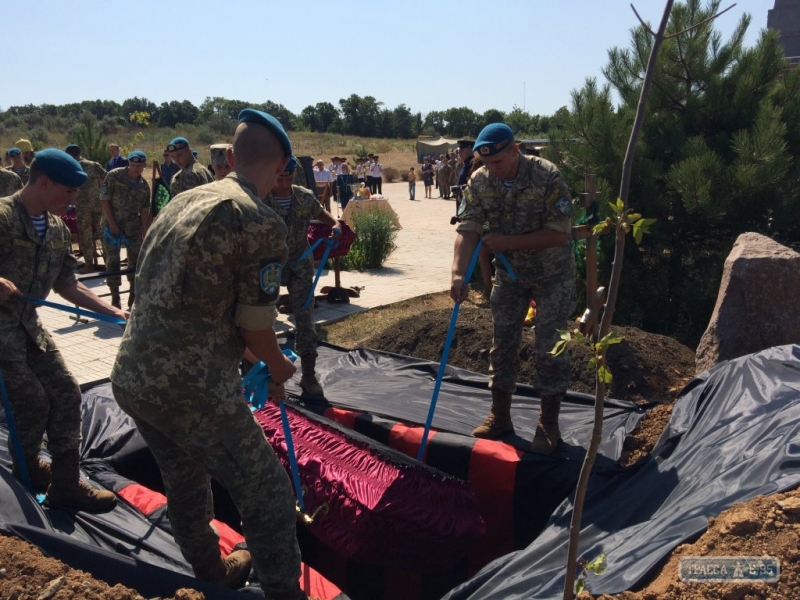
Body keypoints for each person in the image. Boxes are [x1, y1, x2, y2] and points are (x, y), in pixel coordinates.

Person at [110, 108, 310, 598]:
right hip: (190, 389)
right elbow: (256, 327)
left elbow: (197, 299)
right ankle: (284, 591)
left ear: (232, 154)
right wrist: (281, 367)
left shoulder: (184, 200)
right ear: (283, 165)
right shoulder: (257, 219)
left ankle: (210, 575)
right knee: (266, 490)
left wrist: (251, 357)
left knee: (184, 480)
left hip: (134, 377)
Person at [0, 148, 123, 512]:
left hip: (29, 329)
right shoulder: (3, 216)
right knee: (33, 403)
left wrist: (114, 311)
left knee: (68, 392)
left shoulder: (54, 228)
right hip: (0, 333)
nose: (72, 202)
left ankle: (66, 484)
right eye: (68, 193)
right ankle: (25, 472)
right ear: (43, 182)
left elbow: (68, 283)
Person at [450, 123, 576, 455]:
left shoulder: (547, 175)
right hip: (510, 275)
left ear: (515, 149)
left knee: (550, 347)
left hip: (553, 275)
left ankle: (548, 424)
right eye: (485, 163)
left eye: (498, 162)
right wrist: (457, 275)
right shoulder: (480, 181)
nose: (491, 169)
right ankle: (500, 416)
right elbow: (468, 227)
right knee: (502, 343)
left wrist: (506, 242)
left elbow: (560, 234)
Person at [265, 156, 341, 398]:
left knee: (305, 318)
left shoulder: (304, 196)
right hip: (269, 266)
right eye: (279, 178)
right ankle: (258, 369)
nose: (284, 182)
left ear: (295, 175)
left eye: (288, 177)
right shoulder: (259, 196)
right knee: (261, 317)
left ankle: (309, 376)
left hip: (300, 263)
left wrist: (336, 226)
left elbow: (326, 216)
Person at [100, 151, 151, 308]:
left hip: (132, 227)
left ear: (144, 166)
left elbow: (144, 212)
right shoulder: (114, 176)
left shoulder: (144, 187)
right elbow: (104, 200)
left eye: (139, 166)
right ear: (129, 163)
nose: (136, 169)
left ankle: (133, 293)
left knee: (135, 262)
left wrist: (146, 235)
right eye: (133, 165)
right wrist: (112, 224)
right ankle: (115, 296)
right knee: (112, 261)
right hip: (112, 224)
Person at [65, 144, 107, 273]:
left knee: (85, 235)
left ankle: (89, 265)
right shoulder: (93, 164)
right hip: (97, 203)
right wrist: (102, 191)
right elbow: (106, 176)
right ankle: (109, 262)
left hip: (82, 206)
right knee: (103, 234)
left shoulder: (70, 167)